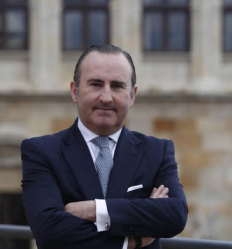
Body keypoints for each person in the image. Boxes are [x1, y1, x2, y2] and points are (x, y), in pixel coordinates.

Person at [21, 44, 188, 249]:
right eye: (96, 84)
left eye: (117, 86)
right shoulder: (42, 152)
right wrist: (132, 240)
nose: (106, 97)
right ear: (75, 91)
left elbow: (175, 215)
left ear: (132, 95)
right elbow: (49, 231)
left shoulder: (157, 151)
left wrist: (95, 209)